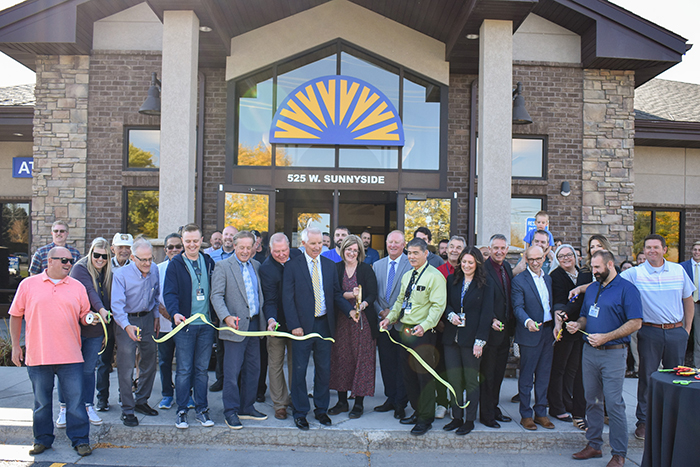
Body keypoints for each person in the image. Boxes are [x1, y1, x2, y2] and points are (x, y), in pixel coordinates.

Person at [9, 247, 93, 456]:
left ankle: (80, 440)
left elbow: (84, 315)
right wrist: (15, 346)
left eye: (71, 261)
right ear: (49, 261)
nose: (68, 264)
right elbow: (15, 315)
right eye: (64, 260)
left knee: (75, 402)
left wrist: (90, 318)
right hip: (39, 355)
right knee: (41, 403)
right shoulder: (28, 285)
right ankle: (42, 439)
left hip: (71, 355)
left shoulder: (78, 287)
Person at [568, 250, 642, 467]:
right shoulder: (592, 288)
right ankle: (594, 445)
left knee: (614, 403)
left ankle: (619, 453)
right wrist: (577, 325)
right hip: (589, 353)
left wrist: (606, 337)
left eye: (598, 267)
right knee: (592, 401)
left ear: (610, 264)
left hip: (614, 353)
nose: (595, 271)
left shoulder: (627, 289)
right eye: (593, 267)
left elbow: (635, 322)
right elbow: (585, 316)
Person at [620, 234, 694, 441]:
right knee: (647, 377)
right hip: (650, 332)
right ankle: (643, 421)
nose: (651, 251)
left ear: (664, 249)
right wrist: (581, 288)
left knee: (677, 379)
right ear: (643, 251)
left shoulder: (678, 270)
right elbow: (611, 283)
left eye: (655, 247)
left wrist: (686, 330)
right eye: (648, 248)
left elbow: (688, 300)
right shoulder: (635, 273)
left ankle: (676, 420)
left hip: (675, 331)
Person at [283, 227, 353, 430]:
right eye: (312, 243)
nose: (316, 247)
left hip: (324, 324)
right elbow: (287, 299)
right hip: (301, 327)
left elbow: (337, 294)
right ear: (303, 244)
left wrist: (349, 312)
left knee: (324, 370)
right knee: (299, 370)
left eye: (320, 243)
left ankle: (321, 410)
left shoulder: (330, 265)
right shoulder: (292, 266)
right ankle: (300, 412)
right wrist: (294, 325)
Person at [380, 237, 447, 436]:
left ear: (426, 254)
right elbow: (400, 301)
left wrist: (425, 326)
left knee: (423, 377)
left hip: (423, 334)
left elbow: (437, 306)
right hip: (405, 331)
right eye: (409, 252)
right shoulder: (407, 275)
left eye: (416, 252)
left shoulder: (435, 276)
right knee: (408, 375)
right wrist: (390, 318)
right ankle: (418, 412)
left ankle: (426, 419)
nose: (412, 256)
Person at [211, 231, 269, 429]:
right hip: (233, 327)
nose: (245, 251)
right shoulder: (222, 266)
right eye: (241, 247)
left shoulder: (257, 266)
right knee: (232, 371)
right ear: (234, 246)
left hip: (254, 326)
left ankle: (247, 406)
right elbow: (216, 296)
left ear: (254, 247)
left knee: (253, 369)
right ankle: (231, 411)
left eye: (248, 247)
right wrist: (226, 317)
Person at [164, 224, 217, 429]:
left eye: (195, 241)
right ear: (183, 241)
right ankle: (182, 410)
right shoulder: (176, 264)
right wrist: (175, 312)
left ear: (201, 240)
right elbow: (170, 293)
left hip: (206, 325)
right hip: (185, 325)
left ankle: (202, 410)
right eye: (188, 241)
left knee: (202, 370)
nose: (192, 245)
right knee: (184, 370)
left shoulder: (208, 261)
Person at [56, 238, 113, 428]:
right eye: (96, 255)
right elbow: (90, 292)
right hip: (75, 329)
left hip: (96, 330)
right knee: (68, 370)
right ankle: (65, 408)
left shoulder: (108, 272)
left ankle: (88, 406)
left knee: (89, 370)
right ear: (90, 253)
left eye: (104, 256)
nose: (100, 259)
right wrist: (101, 310)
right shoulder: (80, 268)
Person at [442, 247, 494, 435]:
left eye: (470, 262)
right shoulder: (452, 280)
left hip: (472, 340)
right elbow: (445, 304)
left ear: (477, 263)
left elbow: (486, 314)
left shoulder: (486, 284)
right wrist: (450, 316)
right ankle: (457, 417)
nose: (466, 265)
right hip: (451, 338)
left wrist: (480, 341)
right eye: (464, 262)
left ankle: (469, 419)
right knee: (454, 379)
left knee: (471, 380)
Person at [112, 237, 160, 427]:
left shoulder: (154, 269)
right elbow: (116, 306)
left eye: (150, 259)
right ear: (133, 257)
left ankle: (141, 400)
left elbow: (156, 295)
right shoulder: (121, 275)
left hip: (147, 318)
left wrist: (156, 316)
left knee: (149, 361)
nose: (147, 263)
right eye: (143, 260)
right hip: (126, 320)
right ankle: (127, 409)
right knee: (126, 366)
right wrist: (126, 325)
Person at [328, 235, 378, 419]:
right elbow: (334, 293)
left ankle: (358, 403)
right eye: (348, 249)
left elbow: (373, 294)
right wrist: (350, 295)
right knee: (341, 359)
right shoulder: (336, 268)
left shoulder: (366, 269)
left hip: (362, 322)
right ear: (343, 250)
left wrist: (363, 304)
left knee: (362, 361)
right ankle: (342, 401)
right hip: (341, 322)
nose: (351, 253)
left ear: (360, 252)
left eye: (355, 250)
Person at [259, 233, 302, 420]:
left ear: (289, 246)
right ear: (270, 249)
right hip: (276, 322)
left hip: (298, 323)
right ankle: (280, 404)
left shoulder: (299, 256)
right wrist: (270, 320)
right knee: (275, 363)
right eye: (277, 252)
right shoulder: (266, 268)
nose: (282, 254)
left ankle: (296, 397)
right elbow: (270, 300)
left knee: (296, 363)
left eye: (284, 250)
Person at [511, 245, 555, 431]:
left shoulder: (549, 279)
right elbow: (517, 307)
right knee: (527, 376)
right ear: (526, 259)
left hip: (548, 332)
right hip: (530, 332)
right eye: (532, 260)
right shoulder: (519, 280)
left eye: (539, 259)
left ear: (544, 258)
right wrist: (527, 321)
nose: (536, 263)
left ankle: (541, 413)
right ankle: (526, 415)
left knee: (544, 375)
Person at [373, 230, 411, 419]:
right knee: (387, 363)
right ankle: (390, 398)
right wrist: (381, 312)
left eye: (397, 242)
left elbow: (412, 295)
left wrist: (396, 314)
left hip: (401, 323)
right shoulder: (377, 265)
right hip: (383, 323)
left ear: (404, 245)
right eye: (390, 242)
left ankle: (400, 403)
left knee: (402, 364)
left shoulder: (410, 264)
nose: (393, 245)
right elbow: (372, 293)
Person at [95, 232, 134, 412]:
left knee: (126, 362)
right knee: (104, 361)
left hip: (126, 319)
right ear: (113, 249)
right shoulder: (104, 267)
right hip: (107, 319)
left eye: (127, 247)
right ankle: (102, 398)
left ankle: (123, 395)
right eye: (120, 247)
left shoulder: (135, 267)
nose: (124, 251)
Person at [548, 244, 585, 425]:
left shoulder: (582, 274)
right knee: (559, 368)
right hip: (565, 326)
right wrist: (560, 321)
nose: (566, 258)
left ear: (575, 256)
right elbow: (558, 302)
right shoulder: (556, 276)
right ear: (557, 258)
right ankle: (556, 405)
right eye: (561, 256)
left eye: (568, 255)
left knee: (573, 368)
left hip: (581, 327)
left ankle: (567, 400)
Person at [480, 234, 514, 428]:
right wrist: (491, 318)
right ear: (490, 249)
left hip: (505, 330)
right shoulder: (483, 270)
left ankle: (494, 407)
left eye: (503, 248)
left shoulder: (506, 267)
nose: (499, 251)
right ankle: (486, 414)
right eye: (496, 248)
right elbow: (482, 300)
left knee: (499, 373)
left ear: (507, 250)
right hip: (489, 330)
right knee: (488, 373)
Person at [435, 235, 467, 419]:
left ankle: (458, 401)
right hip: (440, 327)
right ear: (446, 250)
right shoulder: (438, 271)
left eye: (459, 247)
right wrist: (438, 323)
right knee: (441, 367)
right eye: (452, 247)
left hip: (463, 329)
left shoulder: (470, 270)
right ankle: (441, 402)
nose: (454, 250)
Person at [208, 225, 238, 392]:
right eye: (225, 234)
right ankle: (221, 379)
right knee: (220, 347)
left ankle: (235, 381)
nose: (227, 237)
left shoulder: (241, 256)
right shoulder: (210, 257)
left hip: (237, 308)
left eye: (231, 235)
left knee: (236, 348)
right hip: (217, 309)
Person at [156, 233, 183, 410]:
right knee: (165, 361)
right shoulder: (158, 269)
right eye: (170, 247)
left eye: (177, 246)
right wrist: (165, 313)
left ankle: (185, 395)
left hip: (184, 323)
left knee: (184, 362)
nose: (174, 250)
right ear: (165, 250)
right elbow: (152, 294)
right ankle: (167, 394)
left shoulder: (188, 267)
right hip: (165, 323)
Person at [680, 240, 700, 367]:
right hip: (685, 305)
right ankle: (679, 364)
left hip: (699, 304)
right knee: (681, 335)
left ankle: (698, 366)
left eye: (699, 250)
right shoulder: (682, 267)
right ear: (691, 251)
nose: (697, 252)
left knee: (699, 339)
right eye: (695, 249)